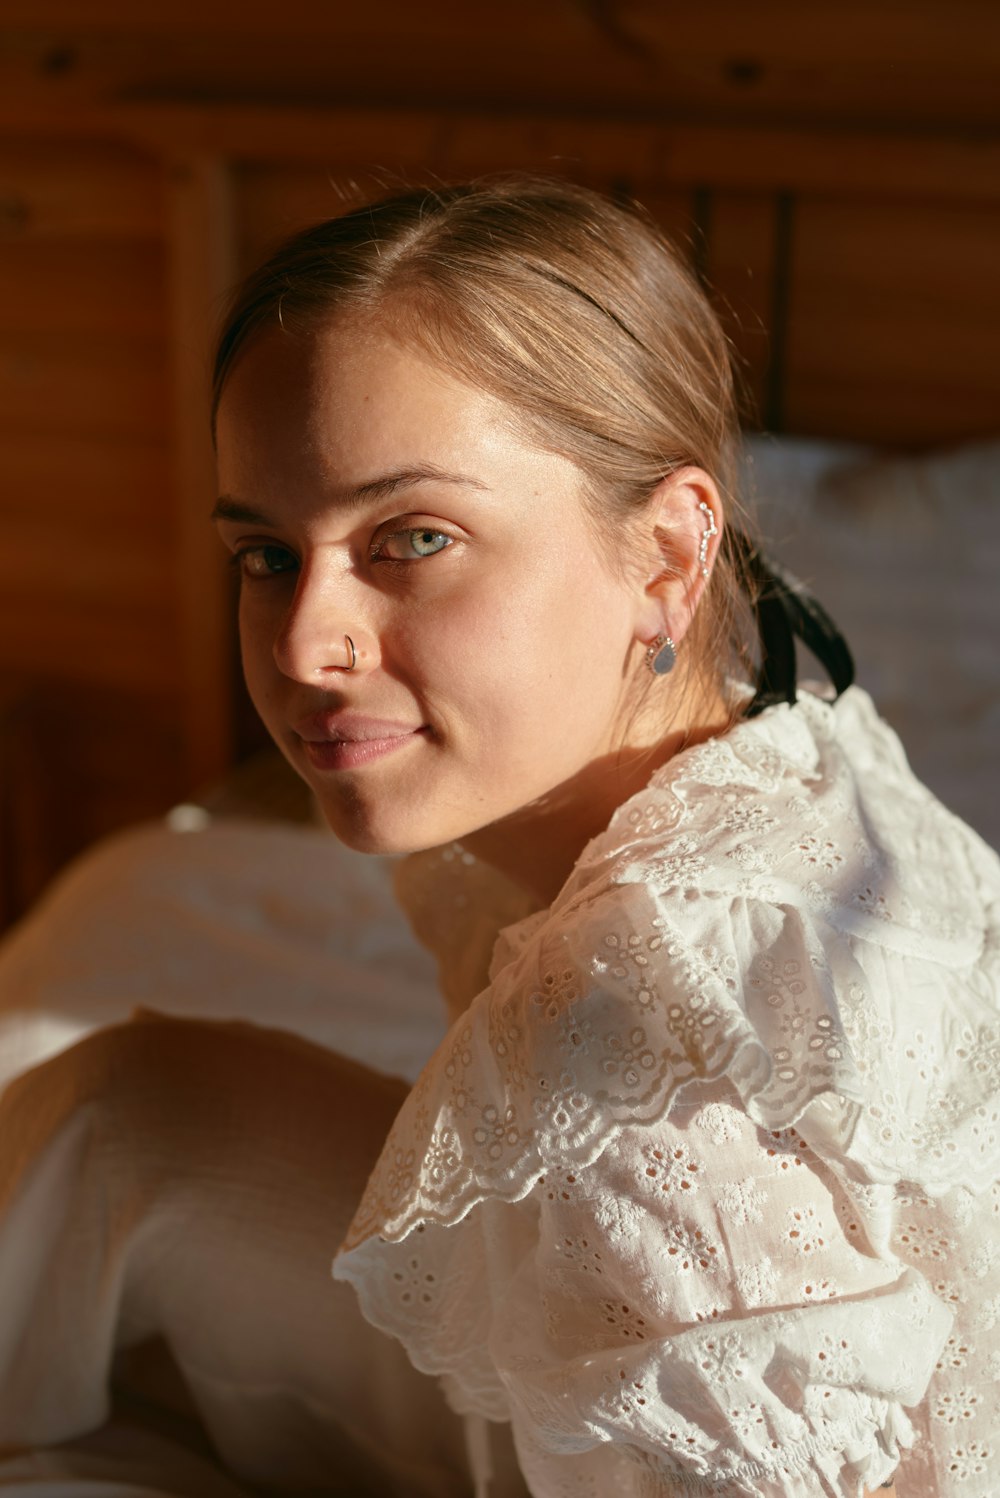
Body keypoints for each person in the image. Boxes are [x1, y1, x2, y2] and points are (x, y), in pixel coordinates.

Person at [1, 177, 998, 1497]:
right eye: (265, 555)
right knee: (118, 1110)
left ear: (665, 559)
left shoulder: (648, 1074)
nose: (308, 644)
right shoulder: (783, 740)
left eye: (412, 538)